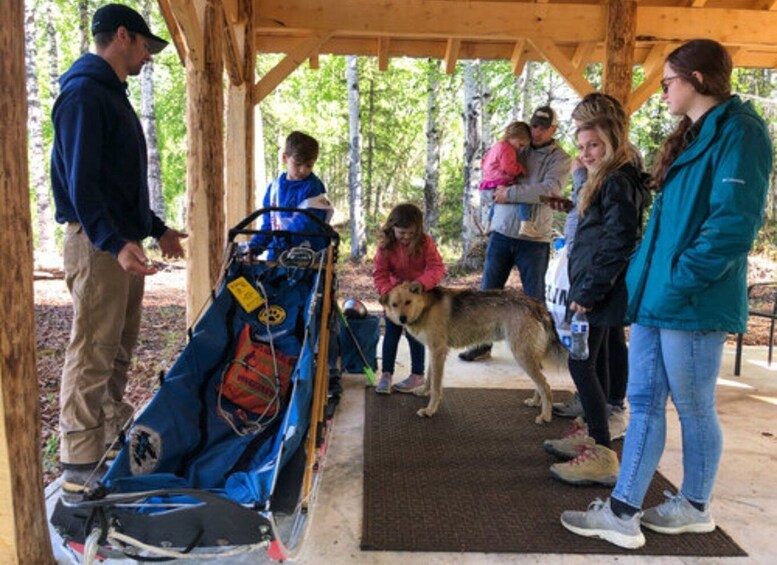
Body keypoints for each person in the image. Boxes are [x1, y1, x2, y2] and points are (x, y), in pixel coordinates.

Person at [561, 39, 773, 550]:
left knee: (695, 407)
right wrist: (647, 283)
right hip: (660, 299)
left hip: (692, 300)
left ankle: (695, 506)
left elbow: (731, 226)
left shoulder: (740, 132)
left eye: (668, 82)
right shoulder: (698, 134)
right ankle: (624, 511)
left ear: (697, 79)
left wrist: (677, 281)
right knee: (644, 403)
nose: (662, 92)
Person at [51, 3, 186, 493]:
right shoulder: (85, 94)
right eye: (147, 47)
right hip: (96, 245)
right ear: (124, 36)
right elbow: (81, 185)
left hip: (120, 243)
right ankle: (78, 463)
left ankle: (107, 442)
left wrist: (155, 228)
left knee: (117, 350)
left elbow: (117, 185)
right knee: (92, 350)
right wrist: (112, 241)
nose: (148, 57)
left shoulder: (111, 95)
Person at [542, 117, 649, 486]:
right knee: (594, 362)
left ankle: (602, 454)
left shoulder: (616, 181)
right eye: (582, 146)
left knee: (580, 363)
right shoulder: (601, 179)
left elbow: (617, 242)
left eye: (595, 145)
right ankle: (594, 437)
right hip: (594, 286)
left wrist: (588, 292)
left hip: (599, 290)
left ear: (613, 143)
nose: (586, 154)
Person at [459, 106, 571, 362]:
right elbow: (490, 182)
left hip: (534, 239)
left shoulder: (560, 159)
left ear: (554, 129)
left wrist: (508, 195)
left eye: (543, 127)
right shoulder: (514, 147)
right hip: (501, 233)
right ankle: (482, 343)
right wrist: (492, 194)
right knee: (487, 294)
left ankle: (541, 349)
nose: (537, 131)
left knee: (535, 299)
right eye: (534, 126)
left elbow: (549, 190)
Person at [373, 203, 445, 394]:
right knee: (391, 334)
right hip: (394, 298)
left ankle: (417, 375)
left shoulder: (425, 243)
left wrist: (422, 283)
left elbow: (436, 267)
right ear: (392, 228)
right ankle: (386, 374)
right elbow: (379, 272)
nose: (405, 237)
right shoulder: (385, 246)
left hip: (417, 297)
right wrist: (388, 293)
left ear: (418, 230)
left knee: (416, 334)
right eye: (401, 233)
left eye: (410, 233)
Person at [249, 131, 334, 256]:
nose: (303, 170)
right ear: (285, 158)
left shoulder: (314, 188)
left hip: (307, 258)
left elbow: (306, 223)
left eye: (309, 165)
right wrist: (254, 248)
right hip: (278, 257)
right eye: (298, 164)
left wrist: (281, 242)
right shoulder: (274, 190)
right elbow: (269, 224)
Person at [479, 121, 532, 220]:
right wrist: (520, 168)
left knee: (497, 200)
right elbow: (509, 168)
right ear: (512, 136)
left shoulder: (497, 145)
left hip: (488, 180)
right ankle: (526, 222)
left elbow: (483, 162)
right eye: (520, 145)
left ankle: (488, 222)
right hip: (498, 180)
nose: (520, 149)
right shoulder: (508, 149)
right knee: (522, 195)